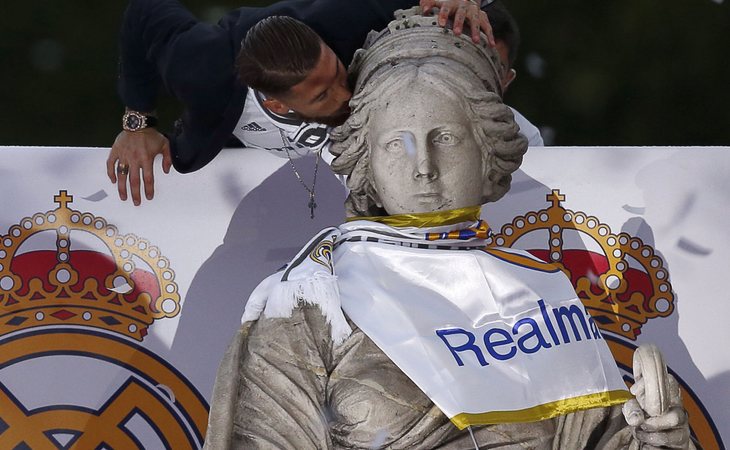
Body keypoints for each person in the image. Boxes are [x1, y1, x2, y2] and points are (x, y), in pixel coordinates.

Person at [203, 10, 693, 450]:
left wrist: (660, 440)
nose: (424, 168)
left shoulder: (541, 293)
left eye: (445, 137)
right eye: (398, 143)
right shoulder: (312, 296)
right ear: (365, 158)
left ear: (487, 154)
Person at [106, 0, 493, 206]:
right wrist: (137, 120)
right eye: (323, 94)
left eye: (340, 74)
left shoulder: (348, 17)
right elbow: (144, 11)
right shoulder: (199, 68)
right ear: (276, 104)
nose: (348, 97)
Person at [484, 0, 544, 146]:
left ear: (507, 80)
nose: (482, 75)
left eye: (496, 67)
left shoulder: (525, 136)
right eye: (470, 62)